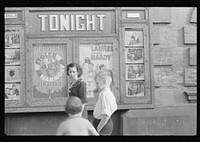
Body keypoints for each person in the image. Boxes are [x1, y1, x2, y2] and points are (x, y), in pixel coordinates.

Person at [92, 69, 117, 136]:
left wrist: (98, 129)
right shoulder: (103, 93)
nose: (96, 85)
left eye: (97, 83)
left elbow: (106, 115)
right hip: (101, 122)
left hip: (102, 124)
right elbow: (97, 108)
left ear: (104, 82)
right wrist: (96, 96)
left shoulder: (105, 95)